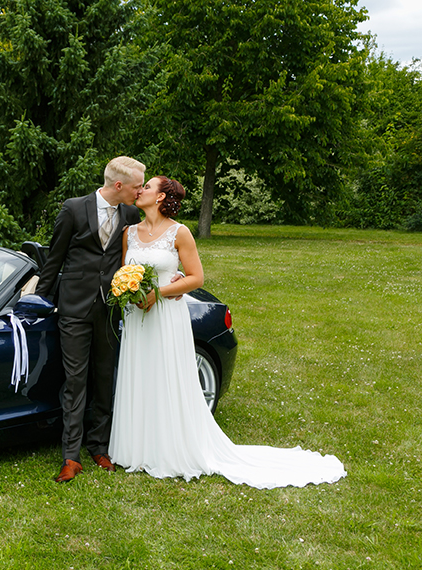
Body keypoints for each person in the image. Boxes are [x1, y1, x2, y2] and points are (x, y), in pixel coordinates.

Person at [109, 176, 346, 488]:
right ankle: (136, 447)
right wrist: (132, 294)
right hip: (138, 318)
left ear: (161, 198)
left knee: (168, 376)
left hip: (167, 317)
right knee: (140, 375)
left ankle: (171, 448)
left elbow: (195, 277)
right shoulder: (130, 233)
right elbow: (124, 271)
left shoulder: (179, 233)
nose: (140, 191)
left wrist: (161, 292)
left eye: (148, 187)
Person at [35, 156, 146, 483]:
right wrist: (40, 301)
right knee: (75, 381)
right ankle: (71, 457)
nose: (140, 191)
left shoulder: (130, 212)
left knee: (105, 379)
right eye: (137, 185)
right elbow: (53, 260)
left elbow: (137, 253)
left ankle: (100, 447)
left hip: (110, 309)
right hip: (74, 309)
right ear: (118, 185)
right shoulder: (73, 209)